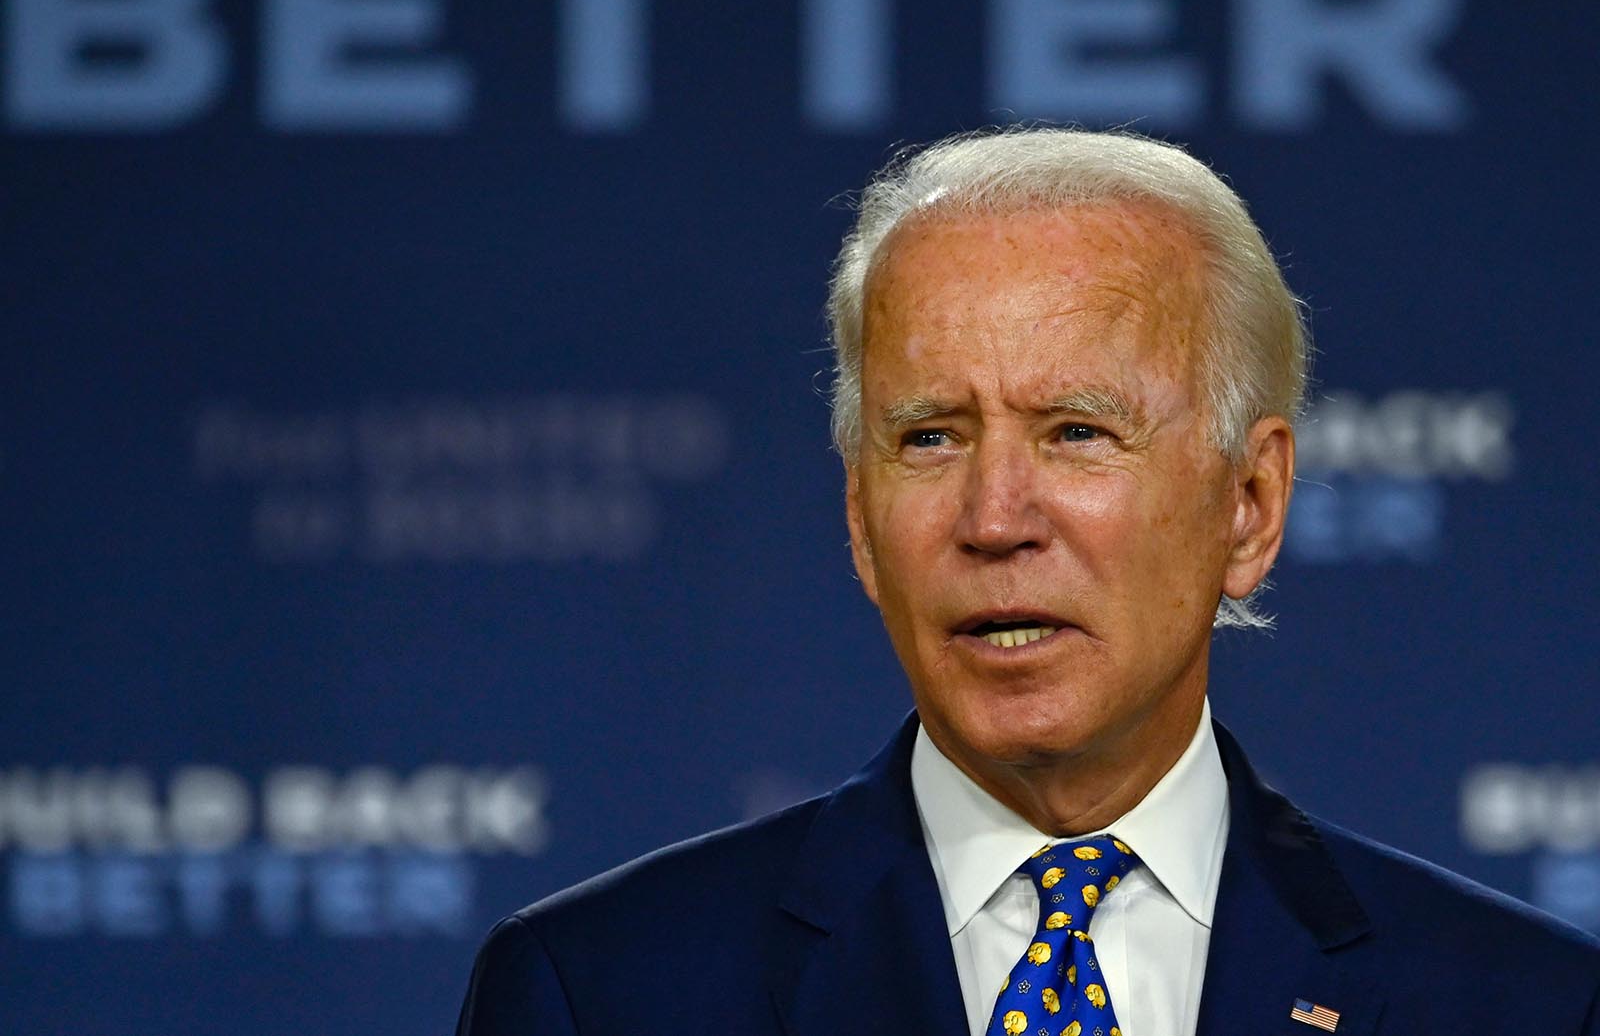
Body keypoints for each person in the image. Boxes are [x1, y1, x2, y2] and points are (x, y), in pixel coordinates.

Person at [455, 128, 1600, 1036]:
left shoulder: (1523, 1003)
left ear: (1248, 504)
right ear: (859, 517)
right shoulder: (601, 993)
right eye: (930, 439)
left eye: (1076, 432)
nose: (994, 519)